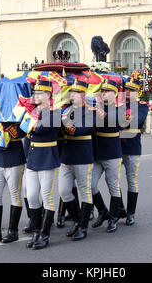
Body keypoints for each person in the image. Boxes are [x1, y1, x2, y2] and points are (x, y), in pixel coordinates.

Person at [25, 77, 60, 250]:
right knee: (31, 196)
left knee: (47, 198)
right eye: (35, 92)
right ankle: (36, 231)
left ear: (48, 94)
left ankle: (45, 235)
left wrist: (31, 125)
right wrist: (31, 125)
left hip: (47, 157)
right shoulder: (33, 112)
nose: (36, 95)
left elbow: (40, 129)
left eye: (40, 93)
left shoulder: (54, 112)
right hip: (32, 157)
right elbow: (25, 130)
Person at [58, 79, 95, 241]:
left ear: (83, 94)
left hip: (82, 155)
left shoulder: (90, 111)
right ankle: (77, 220)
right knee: (64, 191)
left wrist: (64, 122)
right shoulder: (65, 110)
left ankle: (83, 227)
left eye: (75, 93)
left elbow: (80, 130)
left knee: (85, 191)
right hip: (67, 156)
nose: (72, 95)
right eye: (71, 93)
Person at [91, 79, 128, 234]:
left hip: (112, 152)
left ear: (115, 93)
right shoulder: (98, 106)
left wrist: (95, 110)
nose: (104, 93)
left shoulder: (120, 108)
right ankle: (102, 211)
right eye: (103, 91)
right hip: (98, 152)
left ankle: (113, 218)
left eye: (107, 91)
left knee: (112, 185)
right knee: (90, 185)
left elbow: (109, 120)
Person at [0, 121, 26, 245]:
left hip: (14, 158)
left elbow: (18, 134)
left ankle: (13, 231)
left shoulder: (18, 112)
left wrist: (6, 120)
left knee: (15, 195)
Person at [120, 77, 149, 225]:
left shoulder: (141, 105)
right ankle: (119, 208)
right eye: (126, 89)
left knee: (131, 180)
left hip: (132, 146)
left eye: (131, 90)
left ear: (138, 92)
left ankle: (131, 213)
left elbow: (137, 121)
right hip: (117, 146)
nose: (128, 92)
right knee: (112, 179)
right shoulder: (118, 104)